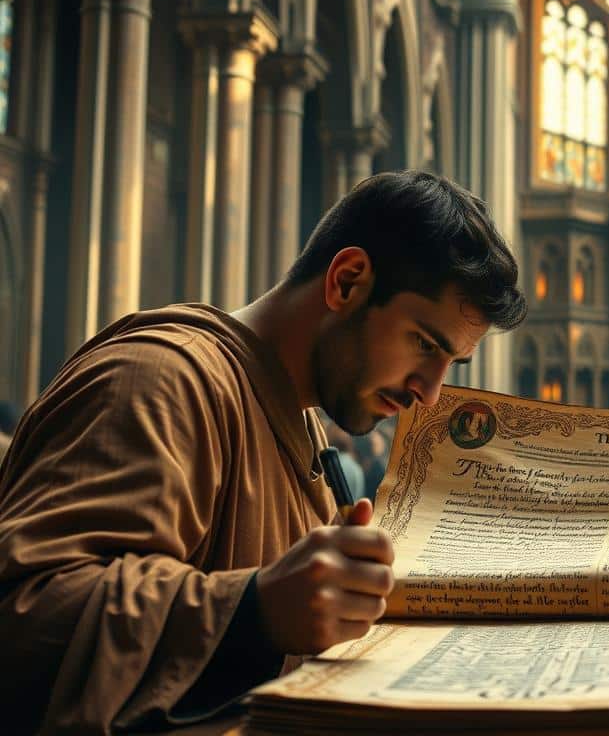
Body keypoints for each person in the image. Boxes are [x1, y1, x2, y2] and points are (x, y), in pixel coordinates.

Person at [0, 171, 527, 732]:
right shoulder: (159, 380)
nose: (430, 392)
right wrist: (253, 611)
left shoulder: (304, 425)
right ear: (347, 282)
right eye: (424, 344)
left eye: (451, 364)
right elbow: (25, 618)